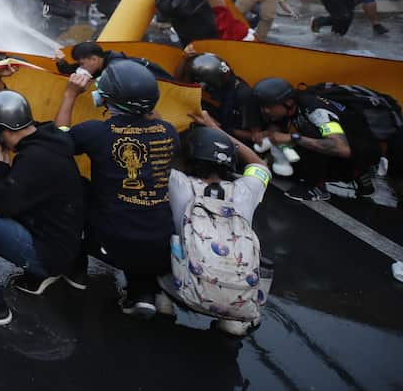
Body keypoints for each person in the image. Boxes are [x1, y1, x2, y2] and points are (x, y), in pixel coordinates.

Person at [0, 89, 86, 325]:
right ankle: (40, 274)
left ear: (7, 131)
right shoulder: (47, 137)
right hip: (63, 244)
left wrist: (0, 166)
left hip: (48, 256)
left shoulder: (34, 159)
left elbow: (3, 207)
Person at [56, 60, 179, 319]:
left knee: (74, 186)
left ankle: (74, 266)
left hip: (111, 244)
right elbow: (150, 122)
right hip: (160, 248)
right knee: (140, 205)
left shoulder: (96, 132)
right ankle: (142, 292)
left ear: (106, 99)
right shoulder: (169, 132)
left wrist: (69, 95)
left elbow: (57, 144)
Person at [159, 120, 271, 336]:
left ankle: (163, 301)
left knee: (159, 235)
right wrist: (218, 131)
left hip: (184, 290)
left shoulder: (178, 183)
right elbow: (260, 165)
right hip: (237, 300)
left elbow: (157, 156)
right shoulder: (246, 189)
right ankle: (234, 320)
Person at [253, 77, 378, 201]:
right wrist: (271, 133)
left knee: (310, 138)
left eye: (269, 106)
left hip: (358, 151)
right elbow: (279, 123)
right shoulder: (294, 105)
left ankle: (319, 186)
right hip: (353, 146)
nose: (265, 111)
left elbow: (341, 148)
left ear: (289, 102)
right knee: (287, 168)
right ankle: (357, 173)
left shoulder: (317, 111)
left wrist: (293, 138)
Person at [182, 51, 261, 144]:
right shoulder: (227, 84)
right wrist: (185, 59)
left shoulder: (244, 96)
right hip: (225, 121)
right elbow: (183, 86)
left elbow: (256, 136)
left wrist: (218, 127)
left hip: (237, 141)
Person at [55, 41, 175, 82]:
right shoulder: (103, 61)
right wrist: (61, 62)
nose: (81, 68)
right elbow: (74, 70)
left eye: (82, 64)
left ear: (94, 59)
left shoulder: (116, 69)